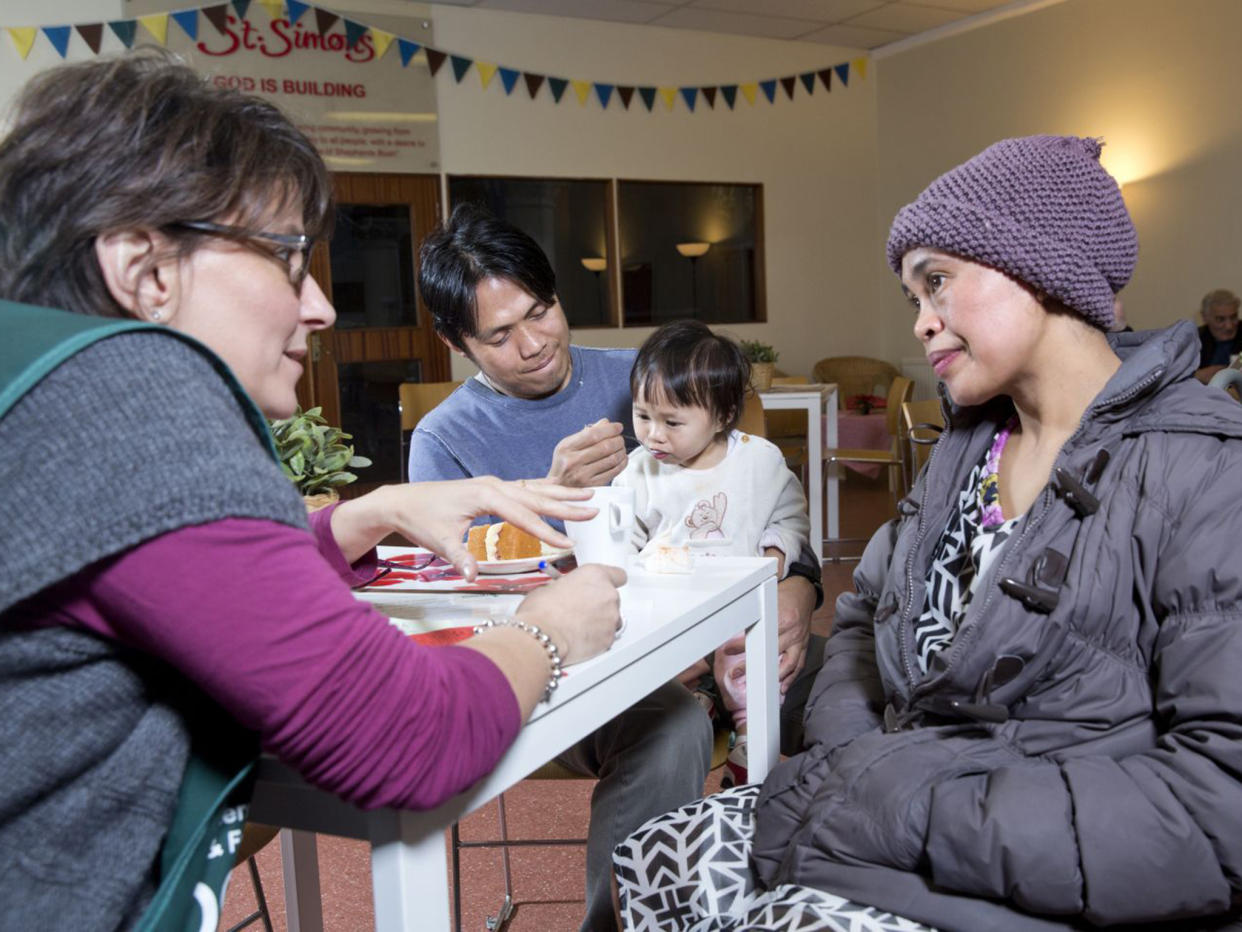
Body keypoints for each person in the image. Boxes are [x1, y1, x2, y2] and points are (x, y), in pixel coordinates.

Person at [0, 51, 627, 930]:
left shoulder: (44, 386)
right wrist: (549, 629)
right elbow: (408, 737)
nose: (324, 307)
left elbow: (180, 581)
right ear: (145, 270)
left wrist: (367, 514)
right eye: (290, 259)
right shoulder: (137, 406)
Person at [613, 135, 1242, 931]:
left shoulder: (1209, 472)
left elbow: (1221, 802)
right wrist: (857, 756)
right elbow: (859, 621)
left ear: (1041, 267)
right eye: (914, 296)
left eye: (937, 282)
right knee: (651, 860)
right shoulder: (969, 446)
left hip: (1050, 855)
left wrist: (901, 799)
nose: (922, 322)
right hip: (900, 795)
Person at [410, 203, 824, 932]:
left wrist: (793, 590)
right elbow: (456, 598)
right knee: (670, 730)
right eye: (501, 336)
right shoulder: (445, 441)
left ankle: (806, 898)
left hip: (721, 640)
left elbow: (759, 496)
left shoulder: (649, 379)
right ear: (456, 341)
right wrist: (551, 489)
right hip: (568, 676)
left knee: (851, 671)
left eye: (542, 311)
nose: (536, 344)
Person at [614, 320, 811, 788]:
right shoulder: (639, 472)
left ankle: (747, 736)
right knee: (667, 669)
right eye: (642, 416)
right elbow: (621, 535)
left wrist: (775, 556)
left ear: (723, 416)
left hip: (738, 607)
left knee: (746, 659)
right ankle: (697, 708)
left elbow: (791, 517)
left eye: (672, 422)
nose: (653, 435)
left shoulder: (758, 462)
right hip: (673, 610)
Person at [1195, 287, 1242, 383]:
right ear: (1205, 317)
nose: (1229, 326)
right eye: (1220, 319)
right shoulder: (1194, 339)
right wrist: (1197, 375)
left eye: (1233, 317)